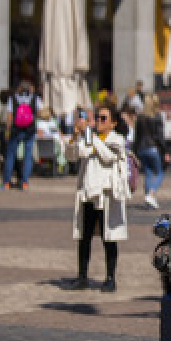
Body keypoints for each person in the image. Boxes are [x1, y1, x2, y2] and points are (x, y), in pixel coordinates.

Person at [63, 102, 130, 292]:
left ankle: (110, 278)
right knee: (84, 237)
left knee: (109, 238)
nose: (99, 121)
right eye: (97, 118)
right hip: (87, 193)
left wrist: (91, 136)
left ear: (113, 123)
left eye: (103, 118)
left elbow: (107, 157)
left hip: (107, 194)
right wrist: (75, 136)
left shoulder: (117, 139)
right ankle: (82, 276)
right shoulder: (90, 138)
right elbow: (71, 155)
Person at [2, 80, 41, 191]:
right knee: (27, 156)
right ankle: (24, 183)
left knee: (10, 155)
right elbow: (37, 114)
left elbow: (9, 116)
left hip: (16, 129)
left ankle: (6, 183)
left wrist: (7, 131)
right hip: (29, 129)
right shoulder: (34, 98)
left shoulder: (13, 98)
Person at [133, 93, 166, 210]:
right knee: (159, 173)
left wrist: (135, 151)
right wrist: (165, 151)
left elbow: (136, 136)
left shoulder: (140, 117)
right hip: (152, 148)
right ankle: (151, 195)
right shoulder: (156, 116)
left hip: (141, 149)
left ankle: (148, 199)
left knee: (147, 173)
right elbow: (160, 136)